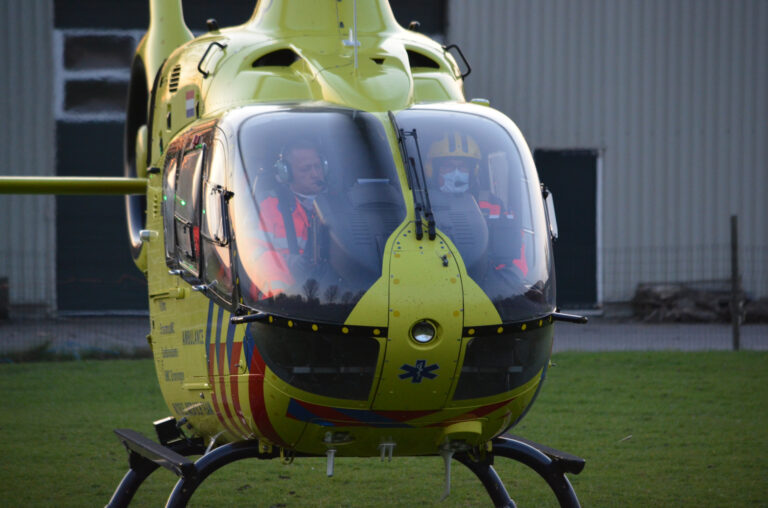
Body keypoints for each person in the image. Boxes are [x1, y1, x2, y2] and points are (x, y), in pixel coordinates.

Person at [426, 131, 528, 277]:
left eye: (463, 167)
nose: (456, 173)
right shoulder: (419, 206)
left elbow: (518, 266)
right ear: (432, 170)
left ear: (474, 171)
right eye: (448, 166)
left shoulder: (495, 208)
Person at [250, 140, 328, 299]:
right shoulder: (268, 207)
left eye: (318, 167)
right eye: (305, 169)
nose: (315, 174)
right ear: (286, 173)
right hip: (287, 301)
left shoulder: (339, 205)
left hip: (334, 290)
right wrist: (289, 262)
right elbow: (255, 254)